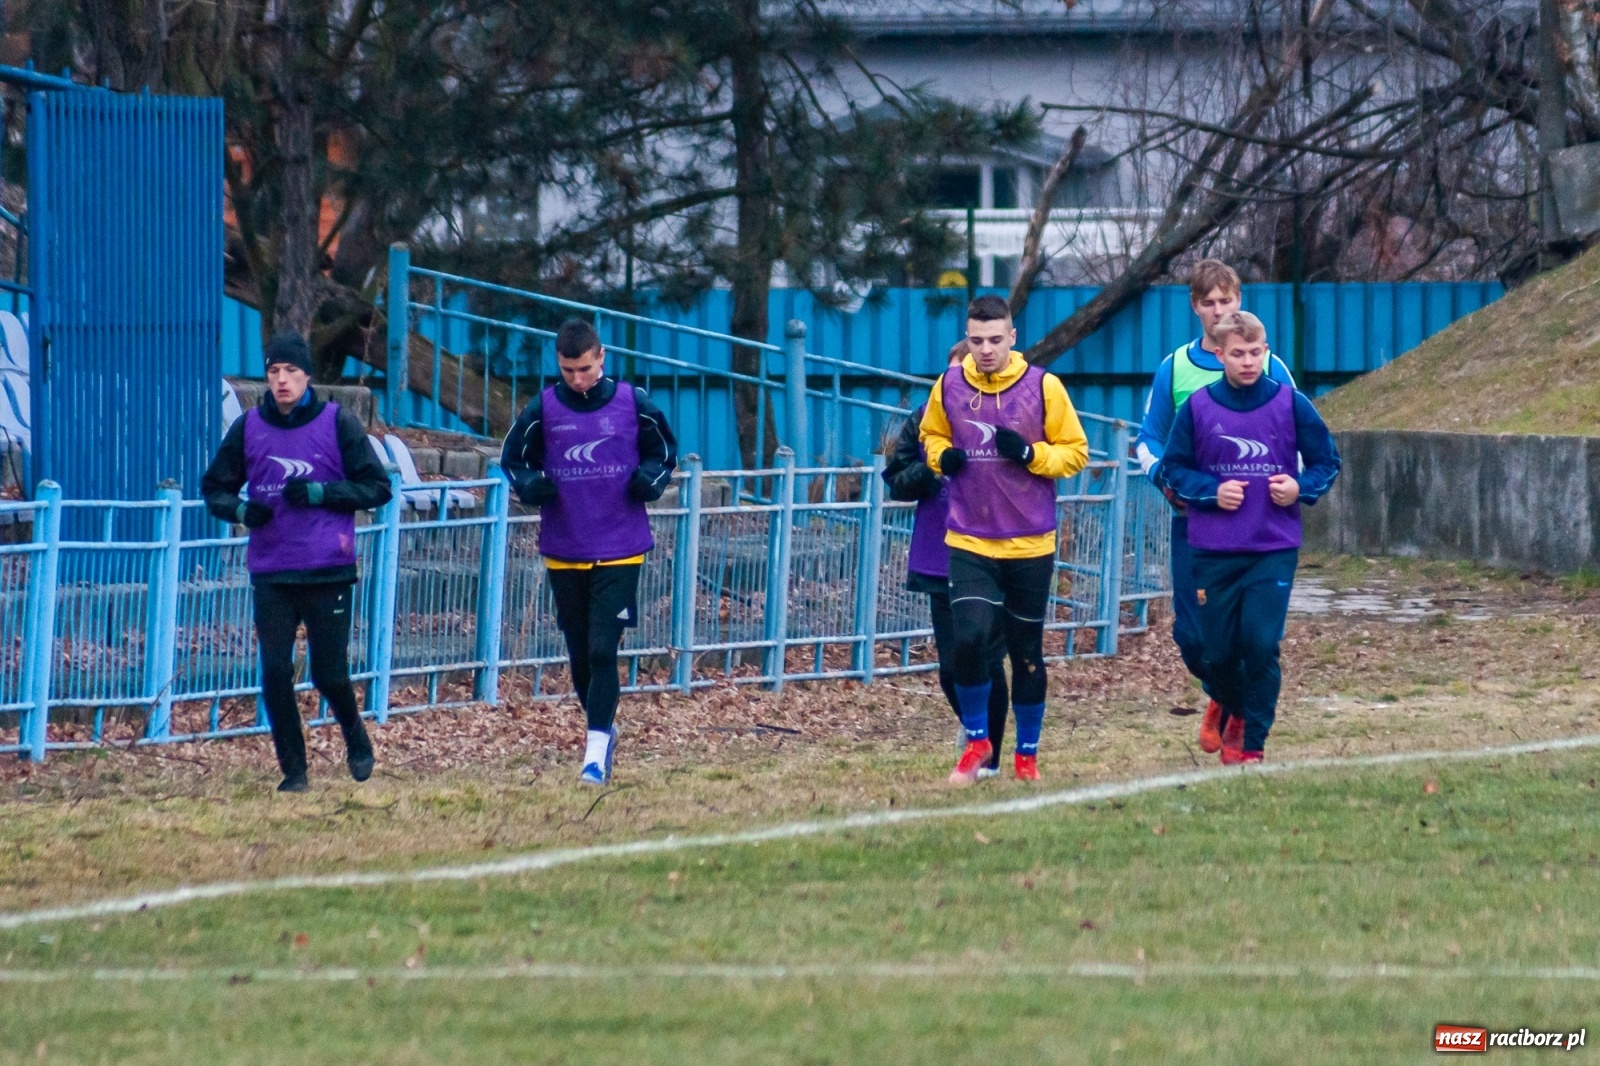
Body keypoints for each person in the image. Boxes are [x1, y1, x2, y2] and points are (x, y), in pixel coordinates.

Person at [201, 332, 393, 792]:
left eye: (290, 371)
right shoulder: (249, 426)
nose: (282, 380)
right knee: (274, 672)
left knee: (328, 673)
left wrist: (323, 493)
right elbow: (215, 488)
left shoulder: (337, 422)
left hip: (328, 566)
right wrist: (243, 510)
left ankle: (355, 736)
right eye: (273, 372)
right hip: (272, 569)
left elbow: (377, 487)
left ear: (307, 375)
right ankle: (295, 772)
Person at [920, 295, 1090, 783]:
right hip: (970, 538)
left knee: (1027, 654)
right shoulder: (949, 384)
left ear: (1012, 338)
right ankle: (977, 742)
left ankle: (1027, 757)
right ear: (966, 338)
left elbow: (1075, 453)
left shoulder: (1043, 386)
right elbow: (930, 437)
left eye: (995, 340)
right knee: (969, 642)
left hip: (1029, 543)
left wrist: (1032, 454)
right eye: (976, 341)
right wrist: (941, 457)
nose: (986, 349)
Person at [1158, 311, 1340, 763]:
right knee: (1214, 650)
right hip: (1213, 549)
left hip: (1271, 547)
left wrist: (1300, 488)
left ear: (1266, 351)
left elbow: (1327, 461)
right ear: (1219, 354)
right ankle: (1231, 704)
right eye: (1238, 353)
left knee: (1260, 644)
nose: (1248, 362)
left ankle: (1251, 745)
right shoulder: (1198, 407)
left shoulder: (1291, 403)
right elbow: (1172, 470)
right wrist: (1211, 492)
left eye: (1256, 352)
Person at [501, 318, 677, 785]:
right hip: (566, 546)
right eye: (567, 370)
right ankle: (604, 729)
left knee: (603, 650)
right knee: (580, 656)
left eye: (584, 368)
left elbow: (664, 453)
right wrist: (531, 487)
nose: (577, 379)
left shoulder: (632, 404)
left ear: (602, 358)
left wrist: (650, 482)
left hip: (621, 546)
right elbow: (513, 460)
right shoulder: (543, 408)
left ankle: (593, 756)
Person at [1135, 259, 1296, 756]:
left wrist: (1292, 483)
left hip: (1259, 529)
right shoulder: (1176, 367)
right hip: (1195, 523)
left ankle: (1240, 716)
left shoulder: (1269, 366)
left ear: (1240, 301)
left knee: (1252, 637)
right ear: (1195, 307)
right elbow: (1148, 440)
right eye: (1209, 302)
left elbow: (1299, 436)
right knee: (1192, 636)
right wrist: (1167, 479)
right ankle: (1224, 697)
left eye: (1227, 300)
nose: (1219, 310)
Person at [882, 339, 1010, 776]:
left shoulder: (1008, 415)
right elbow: (896, 482)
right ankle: (978, 734)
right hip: (939, 554)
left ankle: (988, 757)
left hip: (997, 552)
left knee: (987, 655)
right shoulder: (922, 420)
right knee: (952, 664)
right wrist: (932, 469)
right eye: (953, 374)